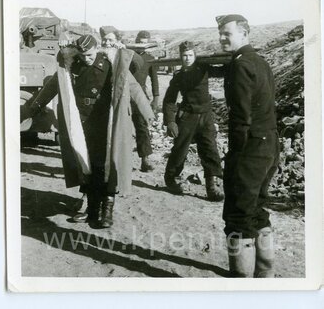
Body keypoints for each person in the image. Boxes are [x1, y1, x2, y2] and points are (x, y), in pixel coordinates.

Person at [20, 34, 154, 229]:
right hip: (82, 124)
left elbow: (134, 81)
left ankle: (106, 210)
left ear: (97, 49)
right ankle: (91, 210)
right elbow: (51, 87)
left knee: (106, 165)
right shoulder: (71, 65)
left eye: (90, 55)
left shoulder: (111, 62)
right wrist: (32, 109)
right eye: (83, 56)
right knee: (86, 164)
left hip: (105, 123)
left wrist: (148, 113)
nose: (87, 59)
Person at [216, 14, 280, 278]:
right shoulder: (259, 62)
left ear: (244, 33)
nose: (221, 38)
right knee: (257, 212)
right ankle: (265, 279)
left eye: (227, 33)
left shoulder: (240, 66)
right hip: (269, 146)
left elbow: (241, 117)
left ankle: (241, 286)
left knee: (238, 218)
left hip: (250, 150)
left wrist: (235, 156)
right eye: (220, 33)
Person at [162, 40, 224, 201]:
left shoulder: (203, 69)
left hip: (206, 115)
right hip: (188, 115)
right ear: (180, 57)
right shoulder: (179, 76)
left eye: (190, 55)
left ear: (194, 56)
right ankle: (171, 179)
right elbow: (169, 100)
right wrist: (170, 121)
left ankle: (212, 185)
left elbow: (223, 71)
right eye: (184, 56)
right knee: (180, 150)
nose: (187, 58)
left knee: (210, 149)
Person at [131, 30, 160, 172]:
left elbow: (154, 80)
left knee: (142, 127)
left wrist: (156, 98)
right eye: (140, 43)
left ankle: (145, 160)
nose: (142, 46)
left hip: (140, 97)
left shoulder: (150, 58)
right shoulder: (128, 55)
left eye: (145, 44)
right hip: (124, 94)